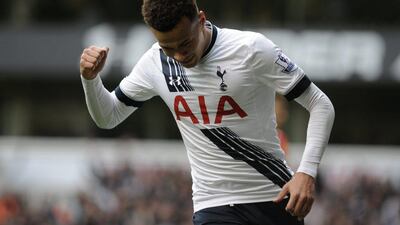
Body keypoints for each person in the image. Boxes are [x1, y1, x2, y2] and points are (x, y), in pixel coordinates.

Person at [79, 0, 335, 224]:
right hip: (213, 204)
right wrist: (91, 80)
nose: (179, 55)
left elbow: (320, 104)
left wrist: (306, 172)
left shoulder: (251, 49)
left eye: (185, 43)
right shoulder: (154, 63)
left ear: (201, 20)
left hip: (274, 197)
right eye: (168, 47)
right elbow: (108, 116)